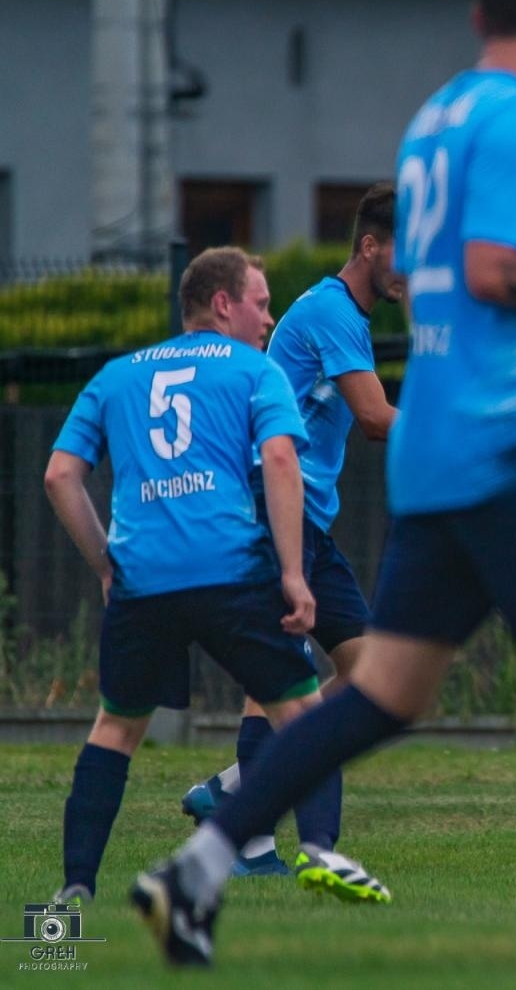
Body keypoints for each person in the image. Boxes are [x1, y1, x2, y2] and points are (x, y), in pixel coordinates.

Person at [132, 0, 516, 970]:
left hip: (440, 448)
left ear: (478, 13)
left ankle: (197, 869)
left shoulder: (436, 120)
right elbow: (496, 271)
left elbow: (472, 260)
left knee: (387, 691)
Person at [43, 247, 380, 907]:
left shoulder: (116, 376)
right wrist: (291, 572)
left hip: (144, 581)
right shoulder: (255, 370)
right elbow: (281, 460)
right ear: (223, 303)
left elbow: (59, 474)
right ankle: (318, 849)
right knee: (303, 712)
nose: (269, 317)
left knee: (115, 730)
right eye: (260, 302)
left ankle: (72, 892)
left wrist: (106, 563)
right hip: (230, 572)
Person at [179, 182, 402, 897]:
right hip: (275, 511)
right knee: (277, 676)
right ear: (370, 246)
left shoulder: (348, 317)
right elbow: (373, 416)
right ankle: (249, 837)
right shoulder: (332, 310)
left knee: (369, 670)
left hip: (308, 516)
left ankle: (236, 790)